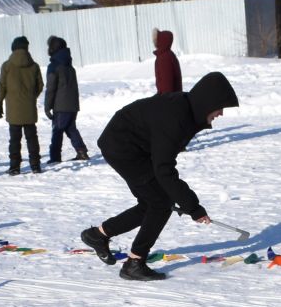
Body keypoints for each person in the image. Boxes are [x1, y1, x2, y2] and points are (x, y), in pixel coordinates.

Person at [79, 71, 237, 282]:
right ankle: (134, 263)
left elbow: (163, 163)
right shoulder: (177, 118)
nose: (221, 113)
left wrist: (189, 205)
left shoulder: (186, 111)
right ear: (208, 102)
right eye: (220, 107)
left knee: (151, 202)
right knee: (160, 203)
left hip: (132, 146)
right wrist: (193, 207)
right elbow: (164, 169)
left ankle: (98, 235)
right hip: (122, 147)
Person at [0, 35, 43, 175]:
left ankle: (15, 167)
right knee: (32, 138)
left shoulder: (7, 66)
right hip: (29, 108)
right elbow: (40, 85)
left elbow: (2, 85)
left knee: (15, 140)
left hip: (13, 110)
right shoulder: (34, 66)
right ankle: (35, 165)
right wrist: (31, 96)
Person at [44, 36, 88, 166]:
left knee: (57, 130)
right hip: (72, 104)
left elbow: (51, 88)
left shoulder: (54, 66)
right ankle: (81, 151)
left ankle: (55, 157)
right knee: (71, 128)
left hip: (61, 106)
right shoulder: (69, 65)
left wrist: (47, 106)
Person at [153, 28, 182, 95]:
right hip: (172, 98)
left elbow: (167, 84)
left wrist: (165, 101)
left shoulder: (164, 58)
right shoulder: (168, 55)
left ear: (161, 41)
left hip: (169, 100)